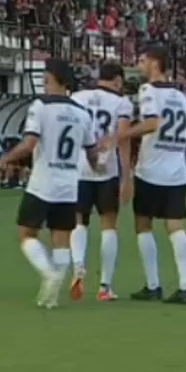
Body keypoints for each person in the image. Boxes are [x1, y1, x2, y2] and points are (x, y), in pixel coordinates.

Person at [0, 59, 99, 309]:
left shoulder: (41, 106)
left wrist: (5, 159)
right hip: (69, 184)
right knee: (61, 238)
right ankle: (51, 296)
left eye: (46, 81)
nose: (44, 85)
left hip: (43, 182)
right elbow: (92, 152)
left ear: (57, 81)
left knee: (26, 234)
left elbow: (30, 143)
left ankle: (48, 274)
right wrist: (97, 168)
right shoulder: (82, 113)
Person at [117, 45, 186, 305]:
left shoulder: (148, 91)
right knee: (175, 226)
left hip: (151, 169)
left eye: (142, 60)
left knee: (143, 223)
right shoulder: (182, 97)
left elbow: (153, 122)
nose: (139, 65)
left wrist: (122, 134)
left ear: (154, 63)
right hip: (177, 170)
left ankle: (153, 285)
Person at [67, 61, 134, 302]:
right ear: (117, 80)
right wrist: (127, 177)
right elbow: (124, 138)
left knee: (78, 221)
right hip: (107, 169)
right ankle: (105, 286)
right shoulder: (122, 103)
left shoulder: (77, 97)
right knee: (108, 224)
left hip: (79, 166)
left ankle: (78, 268)